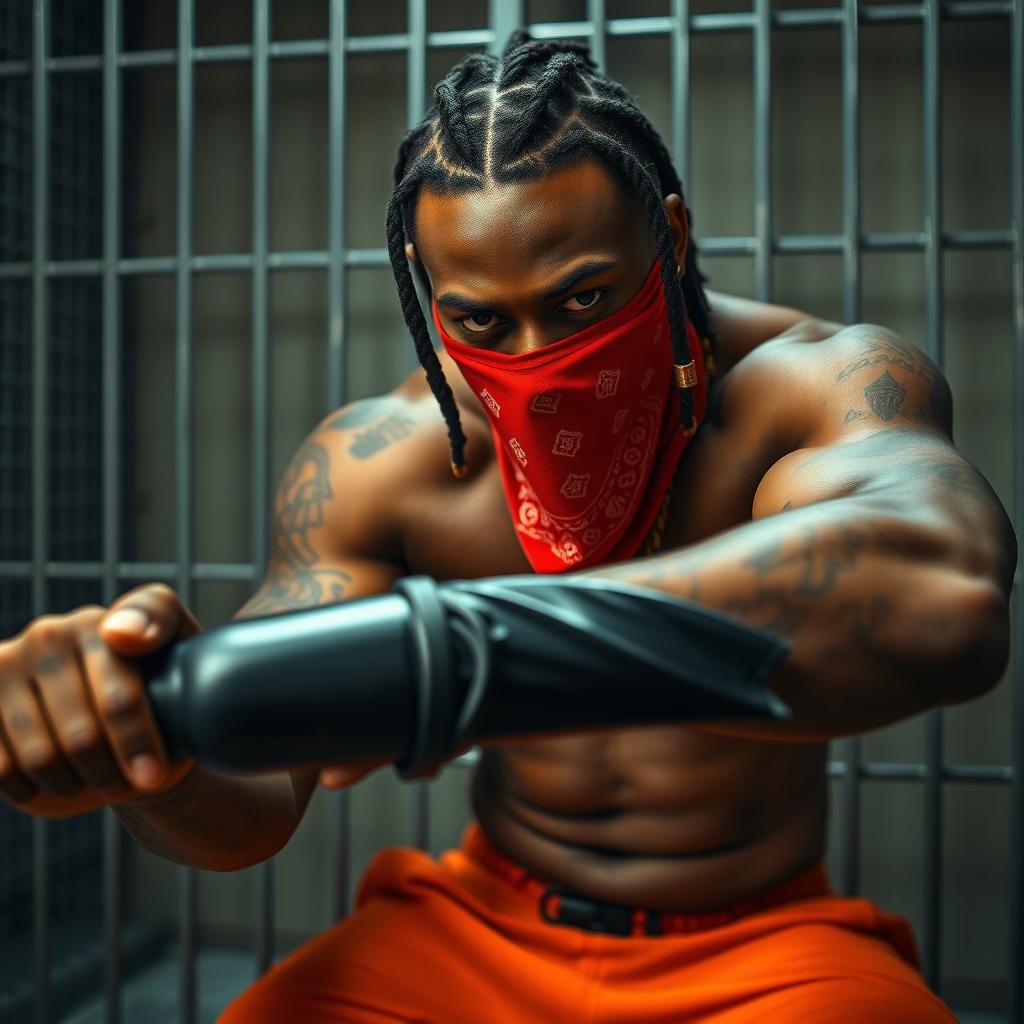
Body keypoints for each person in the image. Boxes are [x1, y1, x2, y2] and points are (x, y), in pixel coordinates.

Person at [0, 33, 1016, 1023]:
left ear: (670, 234)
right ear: (423, 289)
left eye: (584, 297)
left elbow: (943, 585)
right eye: (482, 321)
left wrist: (438, 657)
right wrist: (145, 749)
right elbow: (251, 805)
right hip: (477, 923)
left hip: (764, 941)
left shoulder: (814, 386)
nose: (542, 357)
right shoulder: (386, 463)